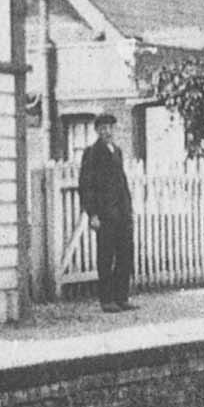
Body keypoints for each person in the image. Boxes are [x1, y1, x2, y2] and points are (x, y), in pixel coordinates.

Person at [78, 113, 136, 312]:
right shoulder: (92, 153)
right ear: (97, 131)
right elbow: (86, 185)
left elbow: (122, 183)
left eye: (110, 127)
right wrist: (92, 214)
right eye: (103, 128)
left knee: (125, 255)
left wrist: (129, 209)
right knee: (106, 257)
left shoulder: (117, 151)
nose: (107, 132)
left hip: (122, 213)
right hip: (104, 214)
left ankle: (122, 297)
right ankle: (106, 300)